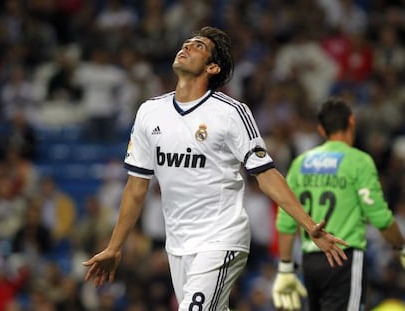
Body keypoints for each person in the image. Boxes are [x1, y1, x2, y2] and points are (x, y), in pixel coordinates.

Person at [82, 26, 348, 310]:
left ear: (212, 66)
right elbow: (136, 187)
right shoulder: (150, 112)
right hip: (178, 244)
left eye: (198, 46)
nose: (186, 47)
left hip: (222, 237)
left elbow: (266, 174)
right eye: (186, 43)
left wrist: (309, 226)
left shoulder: (231, 112)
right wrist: (114, 247)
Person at [272, 97, 405, 311]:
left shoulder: (300, 163)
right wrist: (401, 246)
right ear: (351, 121)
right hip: (344, 258)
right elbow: (379, 216)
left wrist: (286, 267)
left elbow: (286, 219)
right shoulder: (358, 161)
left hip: (310, 261)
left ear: (321, 130)